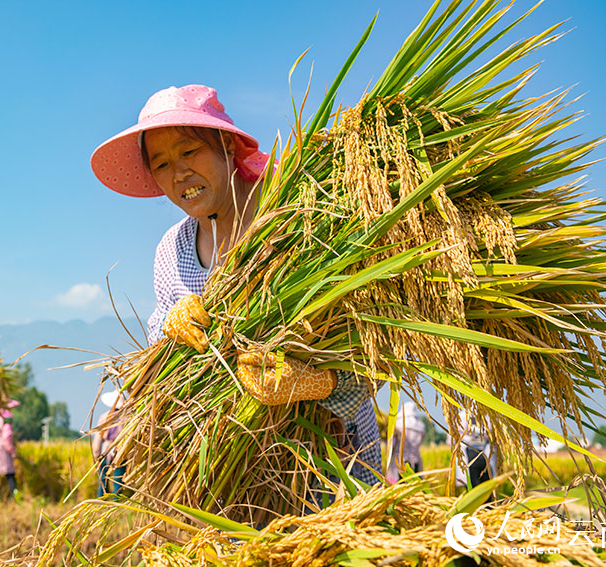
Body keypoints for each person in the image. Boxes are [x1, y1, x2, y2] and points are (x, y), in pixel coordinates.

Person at [90, 84, 381, 486]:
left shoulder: (295, 218)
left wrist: (316, 382)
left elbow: (378, 346)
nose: (179, 174)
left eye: (189, 152)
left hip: (332, 464)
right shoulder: (172, 251)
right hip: (236, 479)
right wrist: (170, 328)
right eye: (161, 164)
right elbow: (161, 349)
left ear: (227, 146)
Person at [448, 408, 496, 488]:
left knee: (484, 485)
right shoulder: (462, 417)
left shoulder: (487, 417)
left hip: (483, 455)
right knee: (476, 485)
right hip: (471, 454)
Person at [91, 390, 124, 497]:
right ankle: (116, 502)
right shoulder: (127, 418)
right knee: (118, 479)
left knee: (102, 480)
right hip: (120, 451)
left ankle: (102, 500)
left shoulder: (105, 417)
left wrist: (96, 454)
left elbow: (98, 438)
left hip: (105, 451)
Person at [386, 401, 426, 482]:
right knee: (414, 487)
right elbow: (421, 442)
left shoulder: (398, 423)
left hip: (399, 461)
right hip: (415, 460)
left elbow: (392, 443)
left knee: (398, 488)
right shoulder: (420, 425)